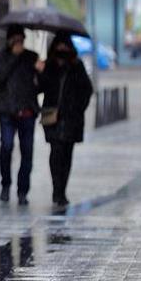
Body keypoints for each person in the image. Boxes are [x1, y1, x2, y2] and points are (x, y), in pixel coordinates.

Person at [39, 33, 93, 208]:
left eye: (65, 46)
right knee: (56, 153)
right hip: (53, 116)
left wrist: (78, 108)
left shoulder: (77, 66)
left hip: (71, 119)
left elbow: (87, 89)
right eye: (59, 46)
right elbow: (39, 87)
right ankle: (56, 189)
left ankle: (62, 190)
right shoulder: (49, 65)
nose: (62, 49)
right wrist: (41, 70)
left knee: (67, 155)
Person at [0, 25, 41, 205]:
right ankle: (6, 185)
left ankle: (23, 191)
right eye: (16, 39)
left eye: (22, 39)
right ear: (9, 40)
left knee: (27, 151)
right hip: (7, 112)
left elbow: (39, 86)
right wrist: (14, 56)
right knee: (6, 146)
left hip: (27, 112)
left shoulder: (31, 57)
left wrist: (41, 72)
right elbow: (0, 76)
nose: (19, 43)